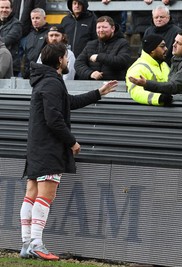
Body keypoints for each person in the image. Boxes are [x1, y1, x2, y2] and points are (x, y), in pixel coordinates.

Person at [19, 42, 118, 261]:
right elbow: (54, 119)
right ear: (59, 60)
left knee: (31, 195)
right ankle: (36, 243)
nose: (68, 60)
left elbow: (67, 103)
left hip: (36, 146)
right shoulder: (51, 83)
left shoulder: (44, 81)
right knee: (46, 195)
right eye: (66, 57)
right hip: (49, 148)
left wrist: (98, 93)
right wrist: (72, 142)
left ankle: (26, 244)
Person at [128, 29, 182, 96]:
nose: (173, 45)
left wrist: (146, 83)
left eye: (178, 43)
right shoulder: (178, 58)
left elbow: (175, 86)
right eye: (175, 41)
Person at [75, 16, 133, 80]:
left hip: (115, 85)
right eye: (98, 27)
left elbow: (122, 61)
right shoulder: (91, 44)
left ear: (113, 28)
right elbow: (78, 64)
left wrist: (99, 57)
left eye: (104, 27)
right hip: (93, 86)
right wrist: (90, 73)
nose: (101, 30)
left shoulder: (123, 43)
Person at [125, 34, 171, 106]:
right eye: (162, 46)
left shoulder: (163, 65)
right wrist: (159, 98)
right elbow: (135, 92)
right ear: (152, 50)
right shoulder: (138, 68)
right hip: (150, 112)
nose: (166, 49)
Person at [23, 8, 49, 79]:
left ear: (44, 18)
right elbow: (26, 56)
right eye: (33, 18)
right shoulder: (30, 35)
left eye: (37, 18)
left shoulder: (50, 34)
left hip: (44, 73)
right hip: (30, 73)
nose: (35, 20)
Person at [0, 0, 23, 76]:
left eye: (7, 7)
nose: (4, 10)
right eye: (2, 7)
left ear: (11, 9)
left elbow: (6, 41)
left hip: (12, 66)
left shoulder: (16, 25)